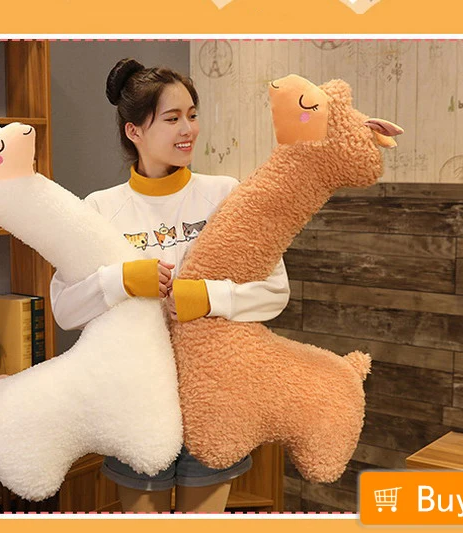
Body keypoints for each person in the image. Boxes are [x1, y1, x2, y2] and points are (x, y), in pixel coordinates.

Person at [49, 58, 290, 513]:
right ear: (134, 131)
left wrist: (209, 298)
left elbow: (275, 290)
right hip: (135, 399)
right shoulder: (99, 209)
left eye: (192, 115)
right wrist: (119, 281)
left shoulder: (224, 194)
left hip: (212, 393)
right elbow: (64, 308)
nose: (188, 129)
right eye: (172, 118)